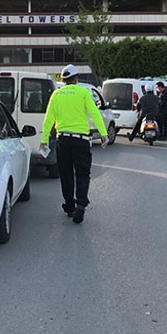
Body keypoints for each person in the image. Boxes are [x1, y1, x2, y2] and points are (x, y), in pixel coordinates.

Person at [40, 64, 108, 224]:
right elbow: (95, 113)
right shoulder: (83, 92)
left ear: (63, 80)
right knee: (83, 173)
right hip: (81, 140)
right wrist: (103, 134)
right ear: (76, 79)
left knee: (66, 173)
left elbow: (48, 119)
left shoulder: (56, 94)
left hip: (63, 140)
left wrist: (44, 140)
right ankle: (81, 205)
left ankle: (69, 205)